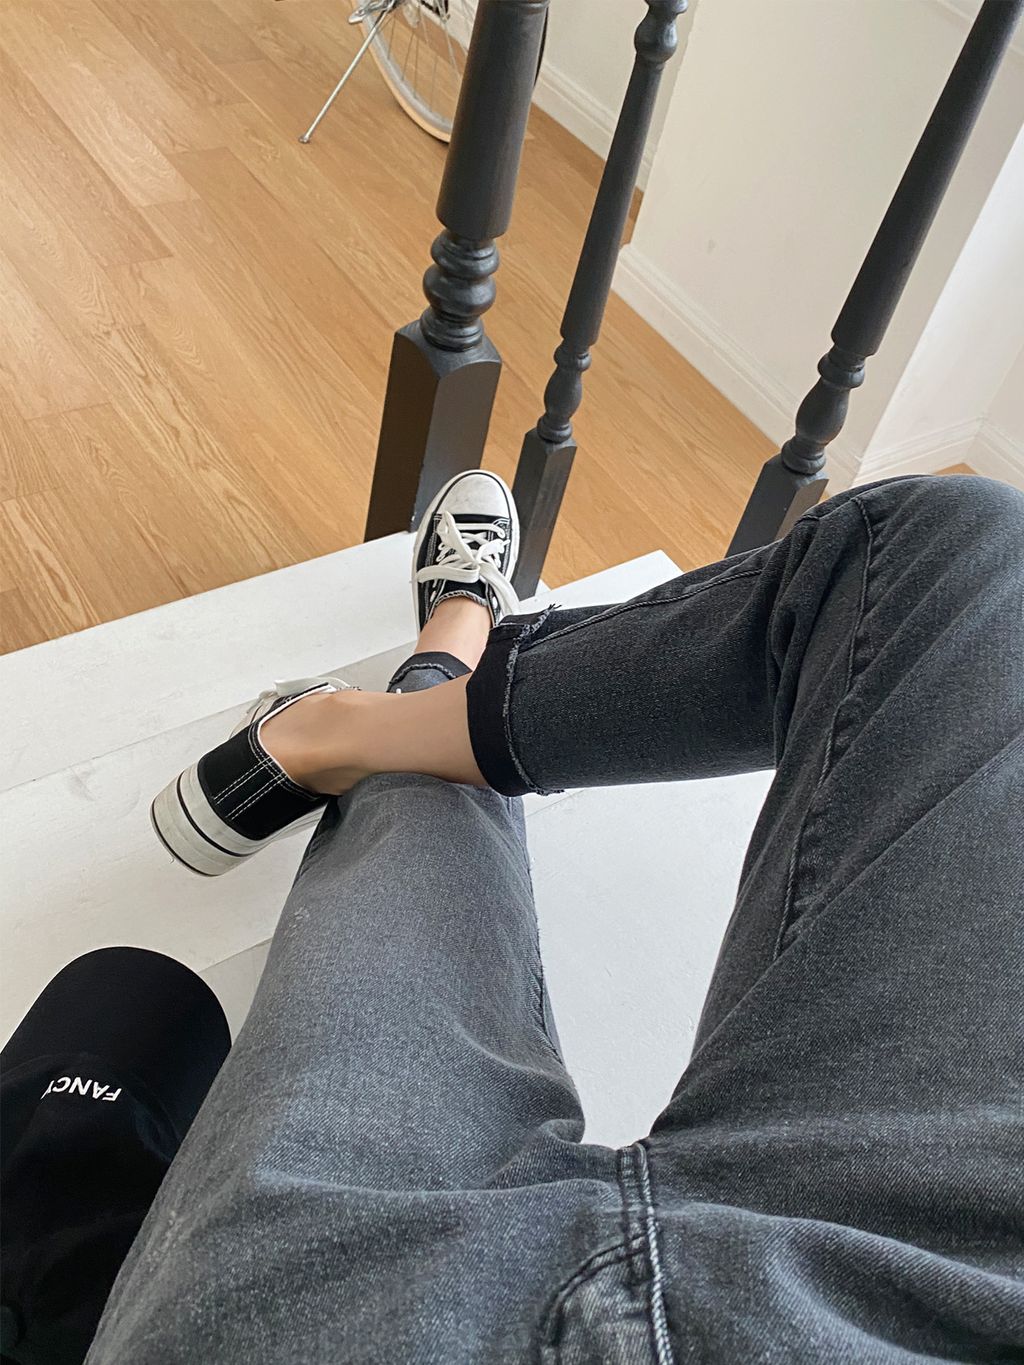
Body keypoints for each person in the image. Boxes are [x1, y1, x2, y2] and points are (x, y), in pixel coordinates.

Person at [89, 471, 1021, 1362]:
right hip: (963, 1248)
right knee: (961, 550)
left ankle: (423, 672)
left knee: (417, 784)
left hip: (361, 1315)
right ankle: (413, 694)